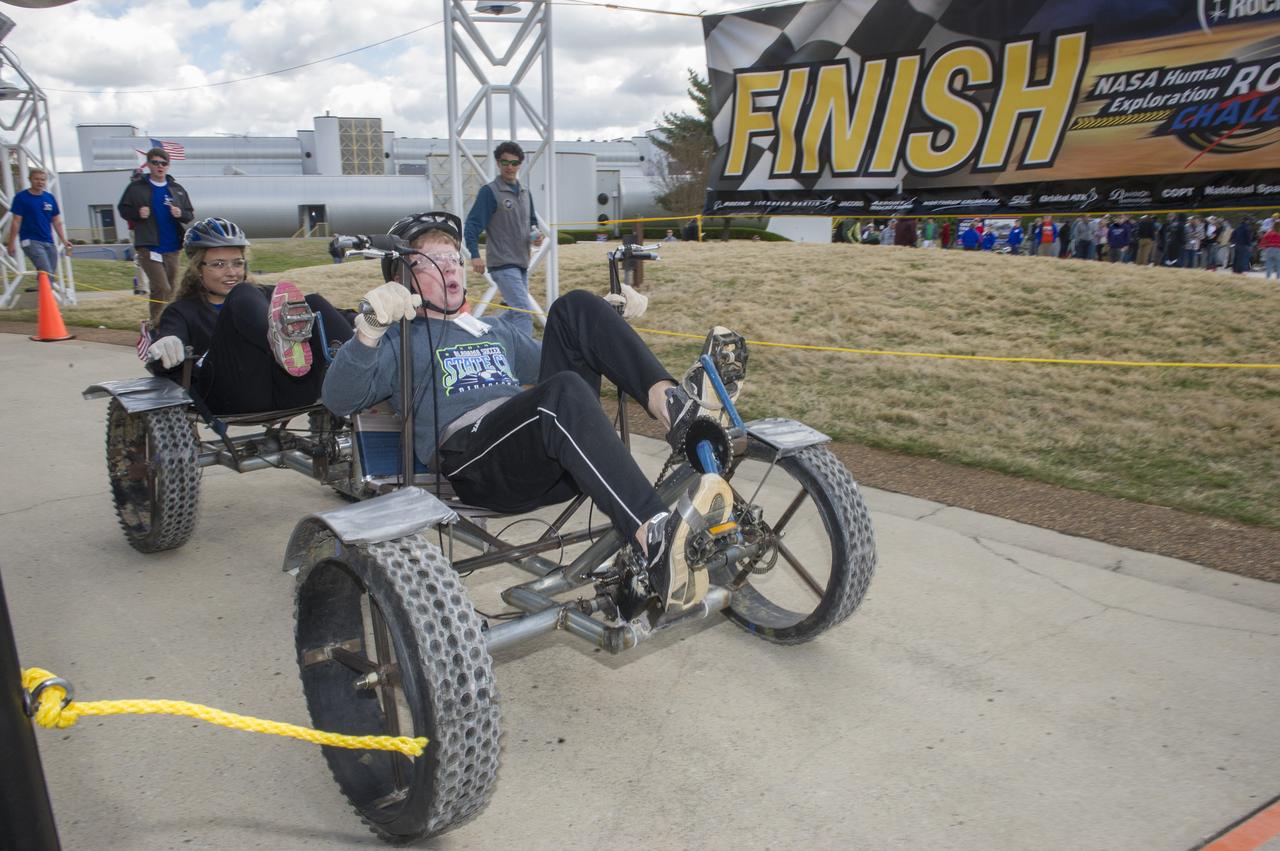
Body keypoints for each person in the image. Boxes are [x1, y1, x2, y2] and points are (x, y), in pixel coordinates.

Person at [322, 211, 740, 623]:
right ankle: (652, 535)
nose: (450, 268)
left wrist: (606, 323)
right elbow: (339, 399)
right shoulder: (399, 340)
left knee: (577, 308)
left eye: (455, 258)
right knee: (561, 392)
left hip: (543, 452)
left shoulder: (492, 329)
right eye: (431, 262)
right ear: (402, 279)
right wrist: (369, 330)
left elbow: (569, 359)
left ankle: (677, 410)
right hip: (475, 462)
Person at [143, 217, 353, 414]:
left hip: (291, 390)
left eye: (237, 263)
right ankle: (277, 338)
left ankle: (364, 362)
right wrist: (167, 341)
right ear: (198, 268)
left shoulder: (264, 295)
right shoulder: (182, 310)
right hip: (232, 396)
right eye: (218, 264)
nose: (232, 272)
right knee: (243, 292)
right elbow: (171, 334)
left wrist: (363, 321)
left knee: (312, 302)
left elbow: (324, 314)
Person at [464, 141, 543, 336]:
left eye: (514, 163)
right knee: (524, 313)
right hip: (503, 264)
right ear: (498, 164)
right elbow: (472, 226)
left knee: (513, 312)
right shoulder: (489, 192)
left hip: (522, 263)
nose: (510, 167)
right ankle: (528, 359)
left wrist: (536, 236)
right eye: (505, 162)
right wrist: (475, 255)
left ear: (520, 164)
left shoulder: (525, 193)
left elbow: (532, 221)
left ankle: (476, 330)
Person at [118, 147, 195, 323]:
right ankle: (157, 324)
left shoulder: (176, 189)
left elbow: (189, 214)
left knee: (172, 289)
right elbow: (123, 209)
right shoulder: (136, 188)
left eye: (164, 163)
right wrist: (138, 213)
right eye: (155, 162)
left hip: (172, 247)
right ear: (149, 164)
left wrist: (180, 213)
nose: (160, 166)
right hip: (149, 246)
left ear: (168, 166)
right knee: (162, 287)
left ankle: (168, 322)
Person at [6, 168, 73, 279]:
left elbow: (56, 221)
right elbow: (16, 221)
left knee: (50, 273)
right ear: (30, 180)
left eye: (43, 179)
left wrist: (64, 240)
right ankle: (48, 294)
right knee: (46, 272)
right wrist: (11, 243)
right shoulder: (21, 198)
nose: (40, 182)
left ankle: (41, 292)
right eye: (36, 179)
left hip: (48, 241)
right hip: (30, 240)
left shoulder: (49, 198)